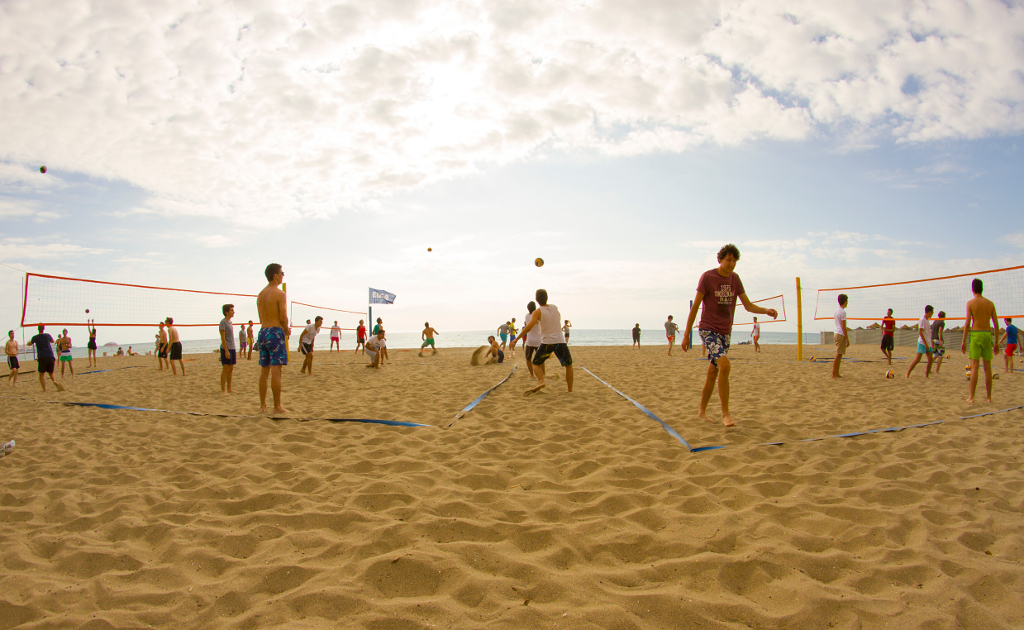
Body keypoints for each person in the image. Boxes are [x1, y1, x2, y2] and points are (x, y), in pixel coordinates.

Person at [681, 244, 778, 427]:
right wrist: (686, 335)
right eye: (728, 260)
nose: (731, 264)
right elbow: (695, 308)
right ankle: (726, 414)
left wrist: (766, 310)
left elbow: (748, 306)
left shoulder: (735, 279)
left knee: (713, 372)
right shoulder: (708, 277)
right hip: (708, 329)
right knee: (725, 366)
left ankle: (701, 412)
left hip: (725, 332)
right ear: (720, 259)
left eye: (734, 261)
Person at [514, 288, 573, 393]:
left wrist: (516, 339)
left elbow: (528, 327)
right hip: (560, 341)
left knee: (535, 363)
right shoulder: (554, 307)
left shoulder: (537, 312)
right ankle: (569, 390)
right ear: (547, 298)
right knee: (568, 365)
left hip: (547, 343)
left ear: (537, 300)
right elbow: (558, 317)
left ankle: (541, 381)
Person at [257, 263, 289, 414]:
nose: (283, 275)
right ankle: (277, 406)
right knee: (276, 371)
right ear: (275, 275)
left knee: (264, 371)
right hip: (275, 332)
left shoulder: (260, 295)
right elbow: (283, 317)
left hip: (263, 331)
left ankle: (263, 406)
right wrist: (287, 329)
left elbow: (260, 317)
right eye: (282, 273)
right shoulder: (280, 293)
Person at [962, 278, 1000, 403]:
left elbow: (967, 323)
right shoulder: (990, 303)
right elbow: (996, 324)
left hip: (976, 334)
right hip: (987, 334)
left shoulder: (971, 303)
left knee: (975, 367)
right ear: (982, 289)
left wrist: (963, 341)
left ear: (972, 289)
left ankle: (972, 398)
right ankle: (989, 398)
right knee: (988, 368)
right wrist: (996, 343)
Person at [905, 305, 935, 379]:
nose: (933, 313)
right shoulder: (922, 320)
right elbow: (920, 332)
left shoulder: (927, 320)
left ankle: (926, 376)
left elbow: (928, 333)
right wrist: (925, 344)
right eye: (932, 312)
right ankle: (908, 373)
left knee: (930, 360)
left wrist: (931, 342)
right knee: (918, 359)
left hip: (928, 343)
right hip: (922, 343)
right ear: (930, 312)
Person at [29, 325, 61, 392]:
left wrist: (28, 342)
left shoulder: (35, 337)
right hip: (50, 356)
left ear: (38, 329)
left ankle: (44, 389)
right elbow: (52, 341)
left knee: (41, 374)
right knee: (51, 373)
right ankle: (54, 381)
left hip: (42, 357)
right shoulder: (47, 335)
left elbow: (29, 343)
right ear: (44, 329)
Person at [219, 303, 236, 394]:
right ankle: (223, 390)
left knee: (231, 369)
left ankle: (229, 388)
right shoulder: (223, 322)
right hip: (226, 348)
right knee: (225, 369)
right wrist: (226, 350)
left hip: (232, 347)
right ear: (226, 312)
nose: (233, 312)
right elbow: (223, 337)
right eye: (231, 310)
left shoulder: (230, 322)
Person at [832, 295, 850, 379]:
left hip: (836, 333)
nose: (847, 303)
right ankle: (833, 374)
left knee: (839, 354)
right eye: (847, 301)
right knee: (838, 354)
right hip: (840, 334)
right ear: (845, 301)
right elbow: (843, 326)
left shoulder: (836, 311)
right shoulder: (843, 312)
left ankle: (837, 373)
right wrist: (847, 338)